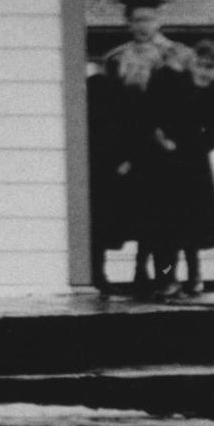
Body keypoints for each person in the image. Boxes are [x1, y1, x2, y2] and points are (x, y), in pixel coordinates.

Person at [100, 0, 193, 295]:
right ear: (127, 22)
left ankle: (168, 276)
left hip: (166, 148)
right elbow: (111, 109)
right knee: (138, 214)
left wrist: (177, 141)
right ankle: (141, 274)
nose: (143, 25)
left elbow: (189, 104)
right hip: (132, 148)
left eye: (149, 19)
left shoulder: (178, 55)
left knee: (168, 217)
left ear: (159, 20)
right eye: (137, 19)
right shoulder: (117, 59)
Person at [143, 39, 214, 298]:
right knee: (164, 224)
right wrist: (161, 140)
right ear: (191, 62)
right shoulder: (172, 82)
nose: (204, 71)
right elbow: (151, 112)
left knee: (192, 225)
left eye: (212, 68)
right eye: (200, 64)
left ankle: (194, 276)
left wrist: (186, 146)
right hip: (163, 164)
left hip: (194, 166)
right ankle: (166, 279)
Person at [85, 60, 129, 295]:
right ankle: (99, 275)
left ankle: (98, 275)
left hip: (99, 168)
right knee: (101, 227)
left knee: (98, 227)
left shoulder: (92, 91)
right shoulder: (114, 94)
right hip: (107, 169)